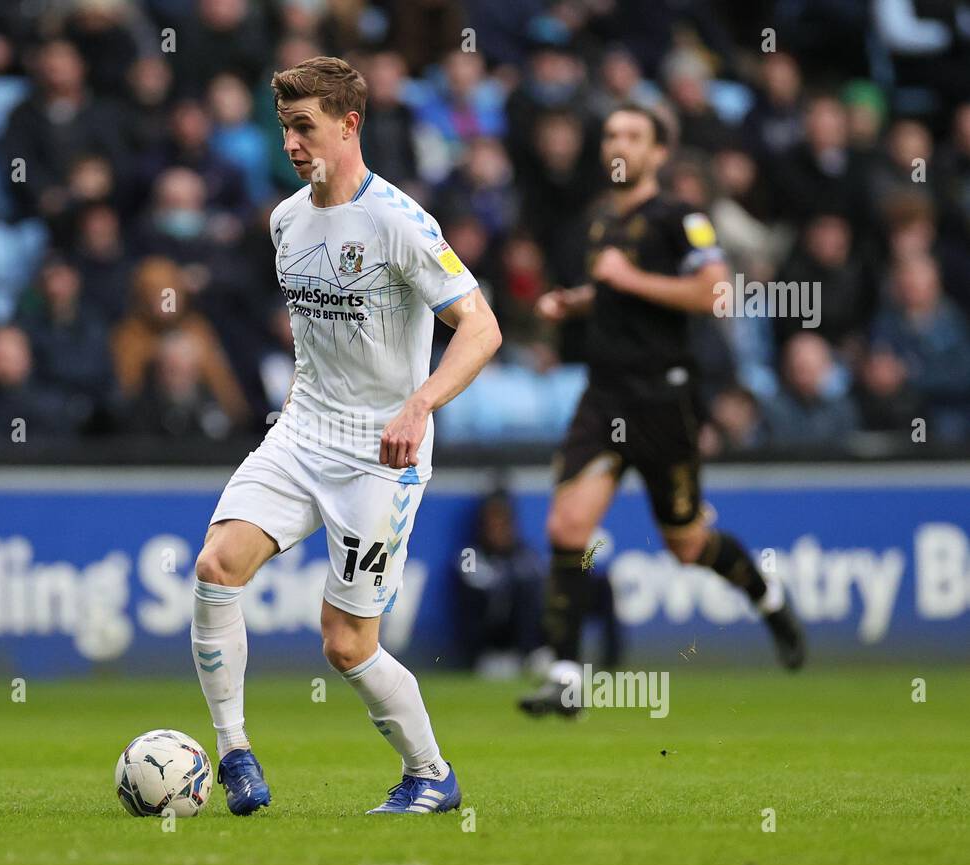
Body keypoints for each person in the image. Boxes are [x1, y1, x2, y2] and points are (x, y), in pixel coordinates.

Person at [190, 56, 502, 815]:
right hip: (303, 431)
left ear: (349, 123)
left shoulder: (399, 221)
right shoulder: (285, 220)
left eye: (306, 126)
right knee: (216, 565)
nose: (293, 143)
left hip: (380, 451)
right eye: (285, 127)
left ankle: (431, 774)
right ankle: (234, 754)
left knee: (345, 644)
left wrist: (419, 404)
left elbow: (482, 327)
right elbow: (313, 338)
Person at [522, 105, 807, 719]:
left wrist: (626, 280)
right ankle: (567, 675)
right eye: (611, 134)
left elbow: (715, 292)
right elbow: (616, 293)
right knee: (567, 527)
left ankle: (767, 595)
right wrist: (580, 303)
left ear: (658, 153)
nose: (618, 144)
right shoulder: (599, 220)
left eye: (633, 135)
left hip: (662, 400)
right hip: (603, 397)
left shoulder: (683, 219)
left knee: (686, 543)